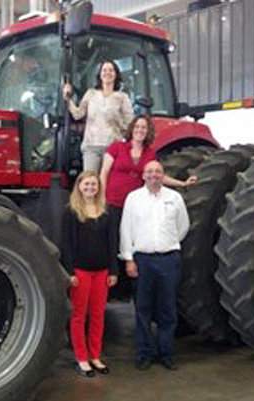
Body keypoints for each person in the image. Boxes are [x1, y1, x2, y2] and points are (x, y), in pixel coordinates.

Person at [99, 115, 196, 298]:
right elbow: (104, 172)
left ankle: (130, 286)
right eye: (137, 127)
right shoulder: (117, 147)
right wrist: (102, 198)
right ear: (131, 129)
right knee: (113, 242)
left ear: (148, 132)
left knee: (134, 242)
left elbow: (157, 175)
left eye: (144, 128)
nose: (140, 130)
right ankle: (113, 285)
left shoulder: (149, 153)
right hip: (114, 201)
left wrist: (182, 184)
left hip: (136, 205)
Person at [120, 160, 190, 371]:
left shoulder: (174, 198)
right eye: (149, 171)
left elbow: (183, 226)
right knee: (142, 309)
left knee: (168, 309)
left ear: (163, 175)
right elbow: (126, 230)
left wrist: (169, 244)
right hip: (143, 260)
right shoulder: (133, 199)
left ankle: (166, 353)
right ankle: (144, 354)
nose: (154, 175)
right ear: (143, 175)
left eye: (158, 171)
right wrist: (129, 259)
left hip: (169, 260)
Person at [61, 171, 119, 377]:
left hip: (102, 272)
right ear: (79, 186)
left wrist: (113, 271)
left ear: (98, 187)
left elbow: (113, 243)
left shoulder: (106, 211)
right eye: (86, 184)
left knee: (98, 315)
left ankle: (95, 356)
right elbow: (65, 245)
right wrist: (69, 272)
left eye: (93, 185)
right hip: (80, 272)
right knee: (78, 316)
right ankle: (82, 358)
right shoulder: (71, 212)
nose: (90, 188)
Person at [62, 59, 134, 172]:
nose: (107, 73)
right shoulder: (91, 94)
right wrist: (67, 98)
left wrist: (123, 137)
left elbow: (129, 121)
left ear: (116, 75)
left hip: (113, 147)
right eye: (104, 70)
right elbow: (78, 114)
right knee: (90, 180)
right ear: (100, 75)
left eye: (111, 70)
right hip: (91, 146)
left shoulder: (122, 97)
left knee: (109, 182)